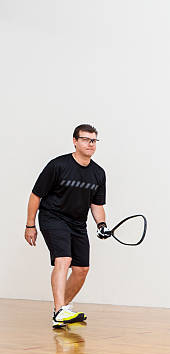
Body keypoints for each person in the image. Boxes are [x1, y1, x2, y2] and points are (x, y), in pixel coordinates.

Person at [24, 124, 112, 328]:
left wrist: (101, 224)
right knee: (63, 259)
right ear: (75, 141)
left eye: (93, 140)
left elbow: (97, 205)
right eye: (85, 139)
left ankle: (61, 309)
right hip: (53, 218)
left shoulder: (98, 173)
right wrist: (30, 225)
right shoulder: (58, 166)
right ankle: (59, 311)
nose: (90, 144)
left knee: (82, 269)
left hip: (78, 223)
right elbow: (36, 195)